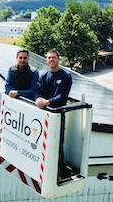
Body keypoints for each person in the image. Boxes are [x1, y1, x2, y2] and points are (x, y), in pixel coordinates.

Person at [35, 49, 72, 181]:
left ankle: (60, 171)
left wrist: (48, 102)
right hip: (44, 115)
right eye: (49, 58)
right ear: (46, 60)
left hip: (57, 115)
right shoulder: (44, 76)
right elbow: (38, 90)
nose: (51, 60)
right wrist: (38, 99)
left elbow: (62, 97)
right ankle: (45, 169)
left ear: (58, 59)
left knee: (57, 142)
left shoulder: (65, 76)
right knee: (43, 141)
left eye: (54, 58)